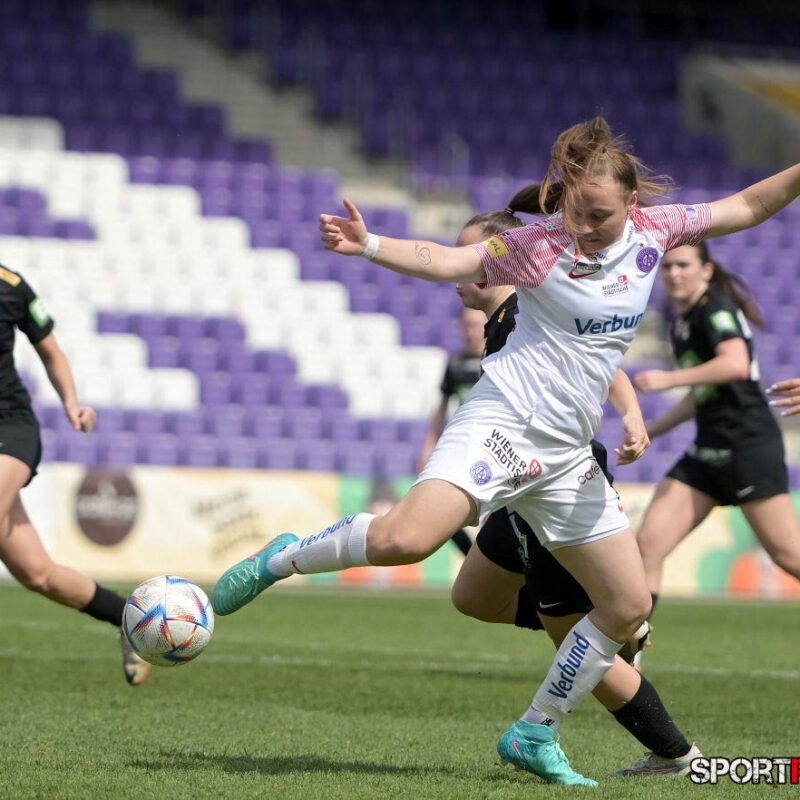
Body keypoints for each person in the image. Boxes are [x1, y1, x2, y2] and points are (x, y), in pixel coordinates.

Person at [213, 116, 800, 785]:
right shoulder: (538, 244)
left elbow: (749, 205)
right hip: (505, 422)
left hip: (568, 456)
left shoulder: (657, 233)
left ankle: (535, 731)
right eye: (576, 211)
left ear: (634, 209)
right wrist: (370, 244)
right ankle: (282, 558)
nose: (582, 227)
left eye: (600, 216)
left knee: (629, 607)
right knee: (409, 539)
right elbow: (451, 261)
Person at [451, 209, 698, 776]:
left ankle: (676, 755)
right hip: (522, 492)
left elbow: (601, 361)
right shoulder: (504, 320)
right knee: (473, 596)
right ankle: (609, 623)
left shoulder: (521, 312)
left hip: (556, 488)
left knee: (579, 645)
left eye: (468, 254)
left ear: (499, 261)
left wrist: (633, 414)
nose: (460, 268)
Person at [634, 242, 800, 635]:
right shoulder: (681, 322)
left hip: (746, 445)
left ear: (706, 270)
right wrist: (649, 432)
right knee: (648, 547)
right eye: (668, 266)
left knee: (787, 554)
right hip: (706, 451)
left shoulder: (716, 309)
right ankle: (628, 656)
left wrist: (667, 378)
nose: (674, 273)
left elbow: (736, 364)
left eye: (683, 265)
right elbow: (702, 394)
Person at [0, 262, 149, 686]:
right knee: (38, 574)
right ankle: (134, 622)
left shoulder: (9, 285)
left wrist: (71, 402)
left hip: (9, 428)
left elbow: (50, 349)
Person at [417, 306, 486, 555]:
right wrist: (428, 446)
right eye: (467, 325)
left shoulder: (499, 359)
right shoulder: (455, 364)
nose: (472, 331)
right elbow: (441, 408)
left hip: (494, 447)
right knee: (438, 513)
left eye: (477, 324)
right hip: (463, 449)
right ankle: (473, 559)